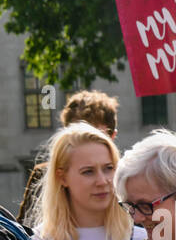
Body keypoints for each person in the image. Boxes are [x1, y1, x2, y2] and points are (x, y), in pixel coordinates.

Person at [18, 89, 120, 225]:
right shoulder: (43, 175)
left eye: (97, 137)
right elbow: (24, 231)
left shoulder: (130, 177)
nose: (101, 181)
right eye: (78, 136)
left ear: (112, 136)